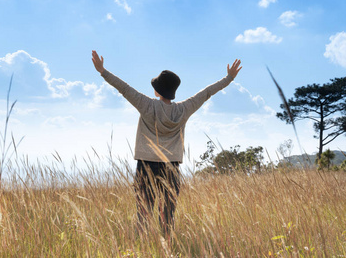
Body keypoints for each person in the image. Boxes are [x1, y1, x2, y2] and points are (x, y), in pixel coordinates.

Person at [91, 50, 242, 236]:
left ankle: (144, 249)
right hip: (171, 168)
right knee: (167, 215)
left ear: (157, 90)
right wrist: (228, 79)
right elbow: (206, 93)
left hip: (146, 166)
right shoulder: (184, 109)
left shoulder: (147, 105)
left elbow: (124, 88)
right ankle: (167, 248)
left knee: (143, 214)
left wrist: (102, 71)